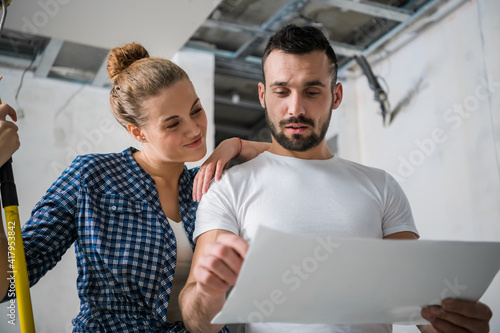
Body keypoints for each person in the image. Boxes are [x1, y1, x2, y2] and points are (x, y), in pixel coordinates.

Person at [179, 25, 493, 333]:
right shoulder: (228, 189)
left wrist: (455, 324)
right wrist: (208, 293)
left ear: (337, 95)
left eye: (312, 91)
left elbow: (419, 305)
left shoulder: (381, 186)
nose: (296, 108)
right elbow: (198, 323)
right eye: (281, 91)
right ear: (263, 95)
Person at [0, 43, 269, 332]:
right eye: (172, 123)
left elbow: (301, 159)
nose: (193, 129)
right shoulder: (91, 178)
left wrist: (237, 144)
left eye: (196, 110)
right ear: (137, 131)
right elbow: (10, 282)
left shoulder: (210, 186)